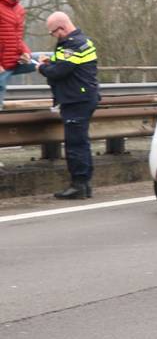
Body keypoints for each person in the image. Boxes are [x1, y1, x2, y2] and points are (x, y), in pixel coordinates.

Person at [38, 12, 100, 200]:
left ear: (62, 28)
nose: (53, 36)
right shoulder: (80, 42)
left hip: (76, 100)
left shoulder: (72, 44)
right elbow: (67, 64)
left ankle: (78, 185)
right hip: (82, 98)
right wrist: (51, 62)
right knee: (81, 142)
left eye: (53, 32)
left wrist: (40, 67)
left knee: (75, 144)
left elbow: (59, 72)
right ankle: (85, 185)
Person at [0, 0, 35, 110]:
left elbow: (17, 38)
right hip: (2, 66)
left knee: (50, 60)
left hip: (16, 60)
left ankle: (60, 105)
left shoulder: (19, 9)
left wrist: (26, 52)